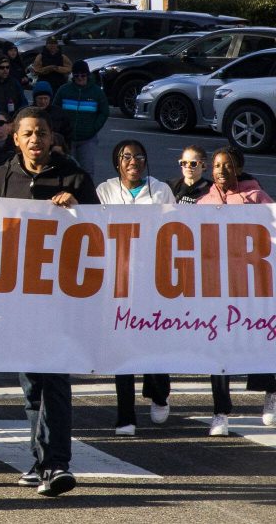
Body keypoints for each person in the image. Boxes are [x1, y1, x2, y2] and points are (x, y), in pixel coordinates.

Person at [0, 106, 98, 497]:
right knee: (31, 382)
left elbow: (102, 233)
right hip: (20, 296)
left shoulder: (76, 177)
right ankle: (40, 461)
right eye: (28, 133)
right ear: (15, 139)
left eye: (42, 133)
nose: (36, 140)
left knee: (55, 379)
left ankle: (57, 463)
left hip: (62, 296)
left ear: (53, 138)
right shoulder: (2, 176)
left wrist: (78, 210)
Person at [95, 140, 176, 436]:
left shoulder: (161, 190)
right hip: (118, 280)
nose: (133, 161)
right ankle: (125, 416)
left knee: (153, 340)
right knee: (122, 346)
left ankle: (159, 391)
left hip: (152, 279)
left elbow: (174, 229)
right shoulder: (104, 190)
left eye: (139, 156)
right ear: (117, 162)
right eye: (126, 156)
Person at [197, 145, 276, 435]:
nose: (221, 171)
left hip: (252, 285)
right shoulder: (203, 203)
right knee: (219, 348)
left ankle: (271, 393)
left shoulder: (255, 197)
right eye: (217, 165)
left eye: (227, 165)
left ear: (239, 169)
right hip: (218, 288)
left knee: (259, 338)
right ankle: (220, 412)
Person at [53, 60, 109, 181]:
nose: (80, 78)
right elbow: (55, 110)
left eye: (83, 75)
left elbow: (104, 112)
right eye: (76, 75)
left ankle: (87, 196)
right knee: (67, 168)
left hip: (87, 139)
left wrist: (94, 128)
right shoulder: (64, 90)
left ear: (88, 75)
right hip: (67, 139)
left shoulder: (97, 92)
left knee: (87, 171)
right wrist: (60, 129)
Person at [31, 81, 72, 148]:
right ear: (35, 99)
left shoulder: (59, 113)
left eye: (45, 98)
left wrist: (63, 148)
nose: (43, 101)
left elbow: (67, 133)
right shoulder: (28, 113)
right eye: (40, 98)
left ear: (50, 99)